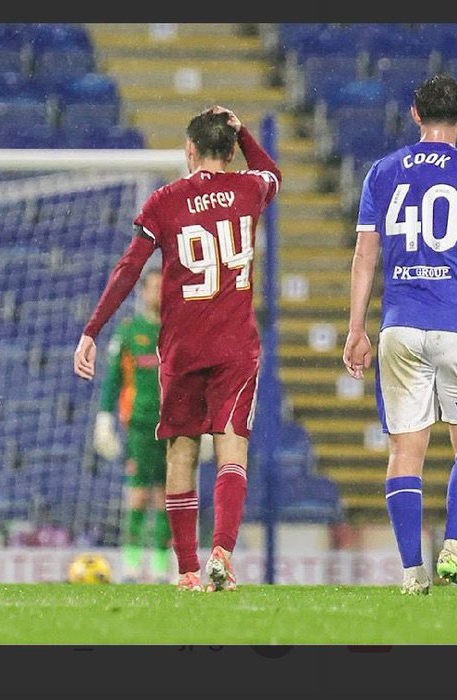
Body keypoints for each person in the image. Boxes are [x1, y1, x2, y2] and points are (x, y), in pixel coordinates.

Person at [74, 106, 281, 592]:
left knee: (181, 455)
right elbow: (272, 173)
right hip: (234, 346)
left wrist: (93, 329)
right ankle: (222, 553)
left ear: (190, 150)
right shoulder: (249, 189)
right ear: (231, 152)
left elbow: (129, 269)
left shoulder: (165, 202)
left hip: (183, 348)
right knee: (232, 451)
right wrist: (244, 134)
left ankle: (187, 570)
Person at [343, 75, 457, 595]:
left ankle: (411, 574)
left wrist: (356, 327)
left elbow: (365, 255)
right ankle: (455, 548)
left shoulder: (382, 172)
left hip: (400, 325)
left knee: (405, 450)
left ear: (415, 114)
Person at [93, 269, 173, 583]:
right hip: (140, 425)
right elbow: (113, 379)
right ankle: (131, 564)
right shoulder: (129, 331)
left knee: (169, 498)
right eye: (155, 287)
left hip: (174, 425)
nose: (160, 292)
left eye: (164, 287)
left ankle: (161, 567)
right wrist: (104, 418)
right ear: (143, 291)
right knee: (138, 496)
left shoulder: (178, 330)